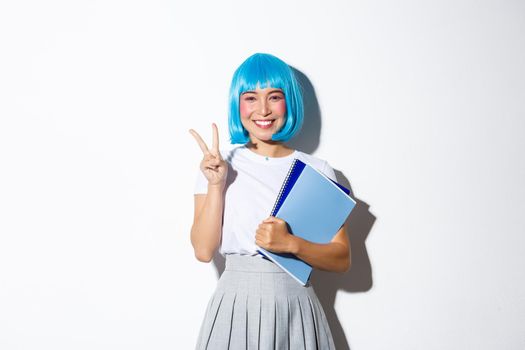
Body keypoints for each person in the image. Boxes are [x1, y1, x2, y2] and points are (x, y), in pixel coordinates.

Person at [189, 53, 351, 349]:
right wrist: (216, 184)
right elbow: (202, 249)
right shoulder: (218, 165)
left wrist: (291, 245)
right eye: (250, 98)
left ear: (288, 102)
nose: (262, 109)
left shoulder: (316, 170)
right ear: (237, 105)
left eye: (274, 96)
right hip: (236, 303)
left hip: (295, 305)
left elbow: (342, 258)